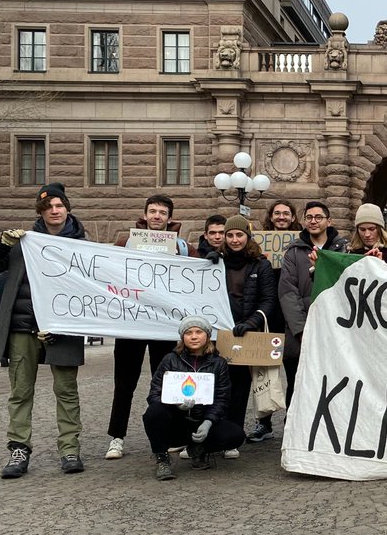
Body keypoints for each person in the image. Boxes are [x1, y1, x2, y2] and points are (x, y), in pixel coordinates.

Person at [0, 183, 88, 478]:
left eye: (59, 205)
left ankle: (69, 449)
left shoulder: (82, 246)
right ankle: (19, 449)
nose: (54, 210)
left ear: (67, 209)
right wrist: (0, 245)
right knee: (21, 391)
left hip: (63, 329)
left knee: (66, 391)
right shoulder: (22, 242)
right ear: (40, 212)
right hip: (23, 327)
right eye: (48, 207)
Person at [105, 194, 195, 460]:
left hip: (163, 325)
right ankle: (116, 437)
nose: (157, 216)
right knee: (124, 383)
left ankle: (168, 435)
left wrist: (209, 256)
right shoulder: (125, 243)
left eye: (162, 212)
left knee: (167, 382)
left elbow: (200, 269)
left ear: (169, 218)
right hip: (132, 323)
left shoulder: (182, 246)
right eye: (152, 211)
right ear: (144, 215)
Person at [267, 201, 348, 442]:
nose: (314, 221)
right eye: (309, 217)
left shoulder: (342, 249)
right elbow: (287, 292)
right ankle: (294, 433)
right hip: (299, 331)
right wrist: (301, 329)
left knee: (333, 380)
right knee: (297, 382)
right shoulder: (293, 251)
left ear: (328, 221)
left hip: (333, 328)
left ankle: (331, 432)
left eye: (319, 217)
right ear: (303, 221)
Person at [142, 315, 244, 480]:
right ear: (183, 337)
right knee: (153, 412)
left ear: (207, 336)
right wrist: (175, 405)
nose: (194, 336)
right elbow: (154, 394)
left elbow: (222, 399)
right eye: (188, 332)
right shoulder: (170, 360)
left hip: (201, 420)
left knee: (236, 435)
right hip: (176, 422)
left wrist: (208, 422)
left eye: (198, 331)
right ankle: (162, 458)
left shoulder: (219, 363)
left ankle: (199, 448)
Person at [218, 215, 277, 450]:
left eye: (239, 235)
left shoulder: (260, 264)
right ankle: (211, 432)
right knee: (216, 385)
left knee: (239, 386)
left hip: (245, 334)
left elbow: (268, 299)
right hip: (219, 332)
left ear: (247, 237)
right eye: (230, 235)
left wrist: (252, 322)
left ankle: (232, 436)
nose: (234, 240)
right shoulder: (215, 262)